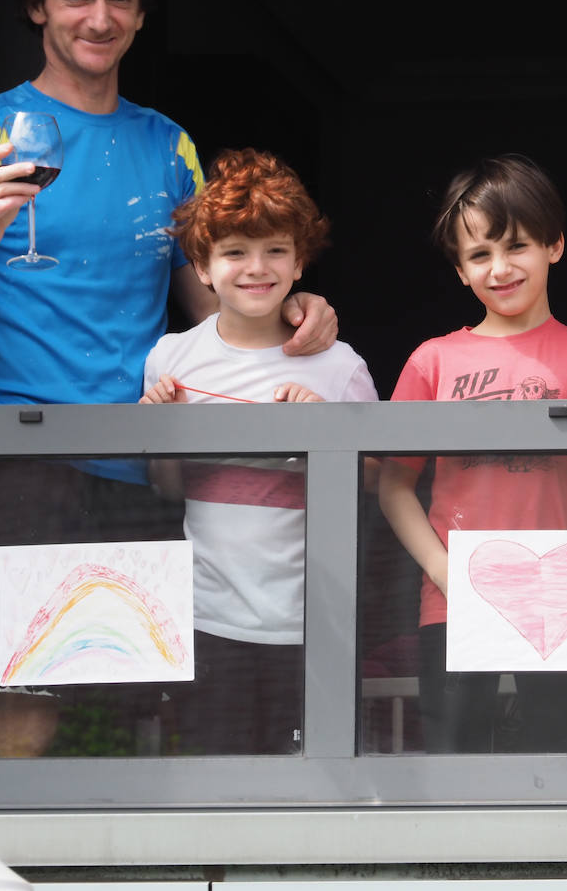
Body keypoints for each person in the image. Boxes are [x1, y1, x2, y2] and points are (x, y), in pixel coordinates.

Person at [0, 0, 337, 756]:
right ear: (37, 5)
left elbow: (216, 314)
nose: (100, 17)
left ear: (140, 12)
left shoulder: (168, 144)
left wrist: (297, 317)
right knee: (20, 712)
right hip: (24, 461)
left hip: (145, 465)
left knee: (130, 720)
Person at [378, 155, 567, 753]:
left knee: (559, 757)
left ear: (555, 245)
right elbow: (392, 485)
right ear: (459, 271)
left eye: (516, 246)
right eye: (478, 255)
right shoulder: (431, 361)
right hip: (454, 596)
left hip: (561, 597)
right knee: (453, 762)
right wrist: (445, 572)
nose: (499, 268)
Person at [139, 148, 378, 754]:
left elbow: (378, 481)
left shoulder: (339, 365)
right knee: (214, 786)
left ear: (300, 261)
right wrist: (158, 434)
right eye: (235, 252)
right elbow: (169, 489)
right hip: (205, 617)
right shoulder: (171, 359)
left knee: (312, 790)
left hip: (313, 619)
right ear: (201, 265)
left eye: (275, 249)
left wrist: (328, 436)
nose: (256, 267)